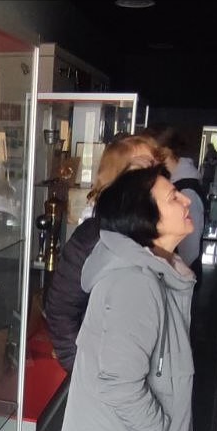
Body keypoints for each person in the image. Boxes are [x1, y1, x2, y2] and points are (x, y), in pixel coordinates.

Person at [54, 164, 196, 431]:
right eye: (172, 197)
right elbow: (120, 385)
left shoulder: (156, 274)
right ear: (144, 218)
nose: (186, 200)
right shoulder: (135, 283)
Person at [45, 135, 164, 372]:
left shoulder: (154, 230)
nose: (152, 175)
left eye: (154, 166)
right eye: (142, 167)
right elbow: (60, 310)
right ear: (117, 176)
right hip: (106, 376)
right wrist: (83, 368)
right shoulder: (92, 235)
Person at [146, 125, 206, 282]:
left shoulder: (187, 189)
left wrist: (176, 276)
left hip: (179, 277)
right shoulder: (174, 181)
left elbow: (190, 249)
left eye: (150, 152)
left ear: (165, 151)